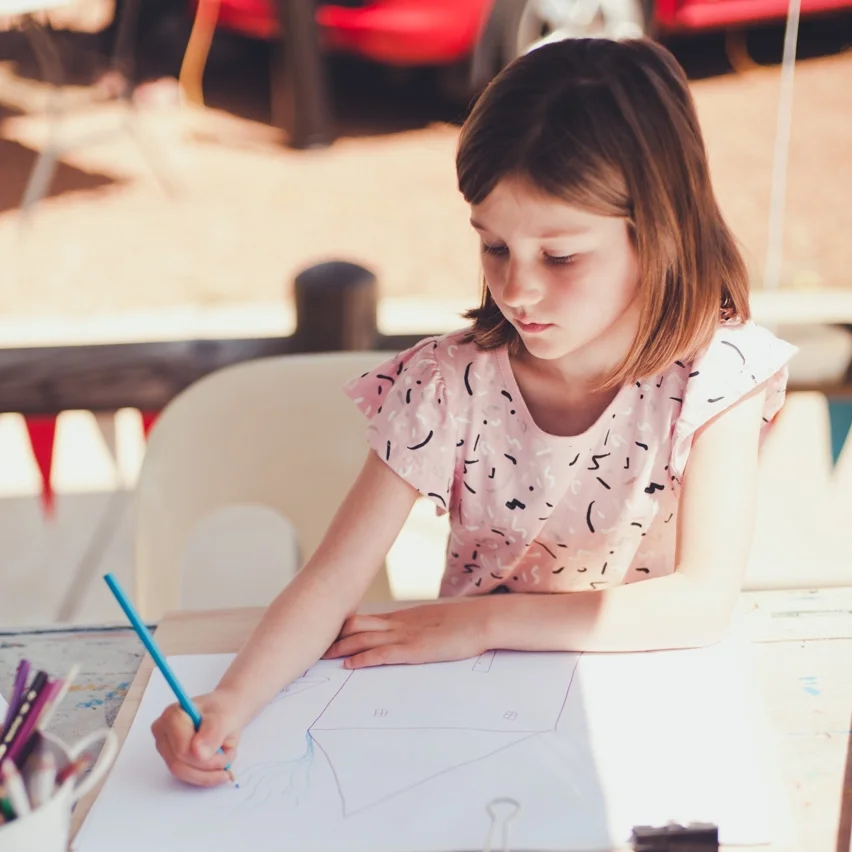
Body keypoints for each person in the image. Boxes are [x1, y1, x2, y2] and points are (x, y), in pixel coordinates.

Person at [151, 37, 796, 787]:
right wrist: (228, 703)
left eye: (560, 256)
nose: (516, 290)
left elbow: (700, 603)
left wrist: (481, 621)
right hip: (459, 714)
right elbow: (330, 584)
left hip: (646, 711)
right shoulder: (446, 383)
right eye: (493, 247)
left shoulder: (720, 375)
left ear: (661, 233)